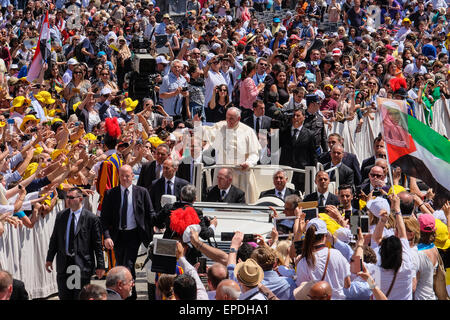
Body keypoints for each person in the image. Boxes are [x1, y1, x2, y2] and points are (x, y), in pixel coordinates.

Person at [100, 164, 158, 300]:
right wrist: (107, 236)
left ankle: (130, 296)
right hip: (117, 235)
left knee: (129, 264)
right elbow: (104, 219)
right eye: (122, 176)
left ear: (133, 176)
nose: (125, 179)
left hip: (134, 234)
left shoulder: (142, 192)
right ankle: (123, 293)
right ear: (118, 177)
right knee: (120, 264)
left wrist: (159, 224)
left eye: (128, 176)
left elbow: (151, 213)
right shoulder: (111, 194)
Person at [45, 187, 105, 300]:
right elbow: (54, 239)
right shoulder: (61, 216)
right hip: (64, 263)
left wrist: (100, 266)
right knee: (64, 296)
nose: (68, 200)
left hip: (81, 265)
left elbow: (97, 244)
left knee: (79, 296)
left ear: (80, 199)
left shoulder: (91, 219)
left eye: (71, 197)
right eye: (67, 197)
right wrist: (49, 259)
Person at [208, 107, 261, 203]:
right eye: (227, 118)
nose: (228, 121)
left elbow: (254, 153)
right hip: (222, 172)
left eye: (231, 118)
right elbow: (206, 132)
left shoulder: (247, 131)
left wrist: (248, 163)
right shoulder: (220, 127)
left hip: (240, 173)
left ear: (239, 119)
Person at [296, 217, 351, 300]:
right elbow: (347, 284)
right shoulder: (337, 254)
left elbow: (303, 292)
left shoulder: (303, 262)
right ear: (325, 235)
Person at [279, 107, 317, 193]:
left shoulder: (310, 134)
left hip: (301, 173)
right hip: (286, 171)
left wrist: (313, 173)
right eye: (293, 116)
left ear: (304, 117)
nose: (295, 118)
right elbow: (273, 147)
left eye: (298, 115)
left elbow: (313, 155)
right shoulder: (284, 132)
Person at [414, 214, 440, 300]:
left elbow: (413, 286)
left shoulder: (418, 254)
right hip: (432, 296)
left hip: (420, 297)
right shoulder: (434, 248)